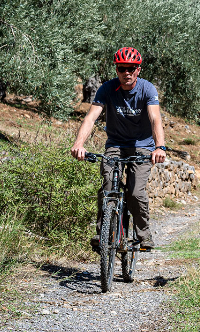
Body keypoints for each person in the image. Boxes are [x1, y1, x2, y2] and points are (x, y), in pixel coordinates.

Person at [71, 47, 167, 252]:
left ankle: (143, 234)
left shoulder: (147, 89)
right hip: (115, 145)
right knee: (107, 187)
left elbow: (155, 119)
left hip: (142, 146)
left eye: (131, 68)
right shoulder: (107, 89)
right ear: (117, 70)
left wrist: (159, 147)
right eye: (122, 68)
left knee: (134, 191)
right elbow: (90, 118)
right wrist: (79, 144)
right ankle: (102, 233)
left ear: (138, 70)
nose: (127, 73)